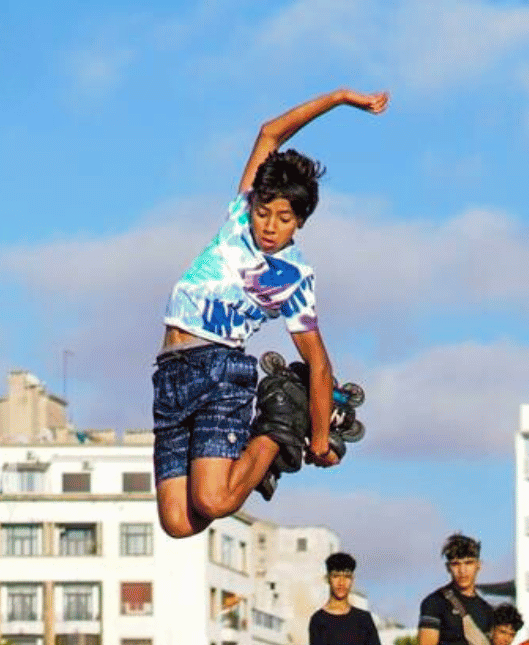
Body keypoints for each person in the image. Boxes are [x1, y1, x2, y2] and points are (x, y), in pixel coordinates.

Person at [151, 88, 390, 540]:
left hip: (219, 370)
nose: (269, 226)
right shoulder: (239, 218)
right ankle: (266, 446)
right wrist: (339, 98)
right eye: (264, 213)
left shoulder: (294, 276)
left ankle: (275, 432)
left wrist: (318, 440)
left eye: (284, 218)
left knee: (214, 501)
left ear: (300, 221)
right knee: (179, 523)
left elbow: (318, 362)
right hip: (169, 374)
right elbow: (270, 134)